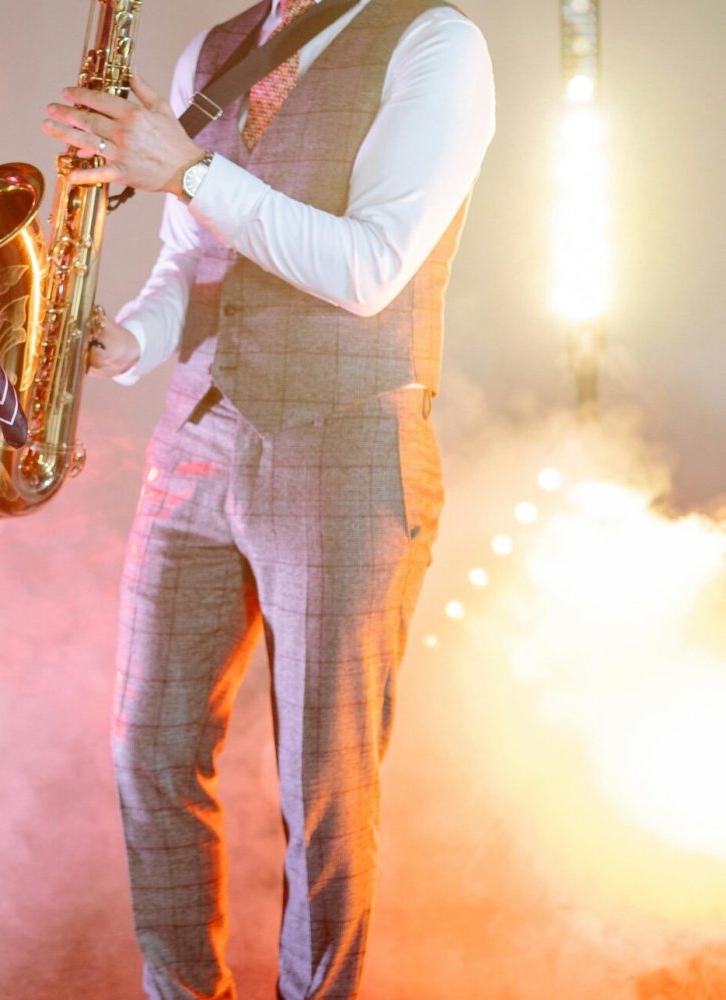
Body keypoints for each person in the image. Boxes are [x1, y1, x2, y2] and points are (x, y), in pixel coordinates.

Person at [41, 1, 495, 997]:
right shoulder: (219, 46)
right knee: (147, 748)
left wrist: (190, 168)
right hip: (200, 424)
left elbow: (369, 267)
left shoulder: (435, 44)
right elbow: (186, 260)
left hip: (344, 437)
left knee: (323, 794)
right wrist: (124, 342)